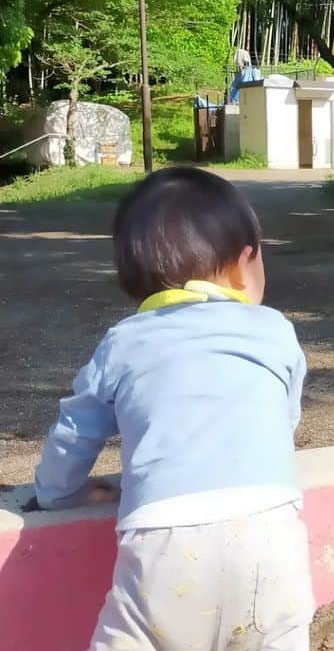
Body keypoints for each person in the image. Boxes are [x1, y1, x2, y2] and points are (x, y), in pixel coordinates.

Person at [32, 167, 314, 649]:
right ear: (245, 262)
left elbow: (74, 432)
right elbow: (284, 419)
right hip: (272, 537)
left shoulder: (124, 342)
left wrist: (58, 496)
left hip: (166, 546)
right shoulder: (274, 330)